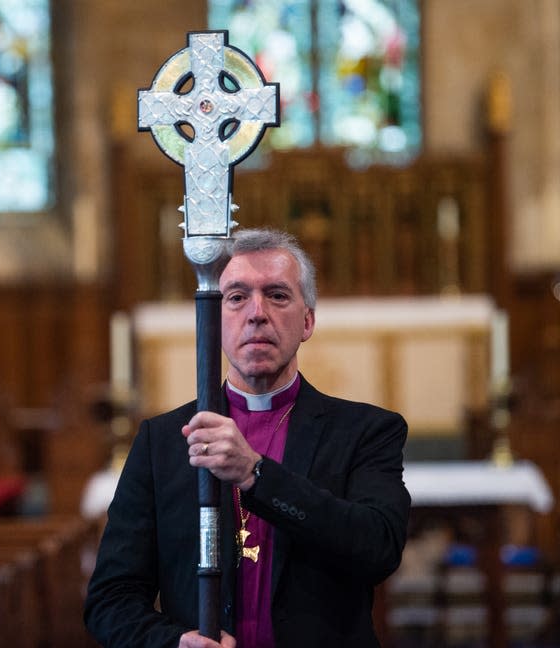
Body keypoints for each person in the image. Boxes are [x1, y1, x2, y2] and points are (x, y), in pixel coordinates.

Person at [84, 228, 411, 648]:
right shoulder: (161, 442)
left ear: (307, 320)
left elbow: (378, 548)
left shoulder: (365, 432)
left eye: (277, 295)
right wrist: (173, 643)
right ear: (213, 319)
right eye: (236, 297)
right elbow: (110, 600)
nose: (257, 312)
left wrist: (256, 474)